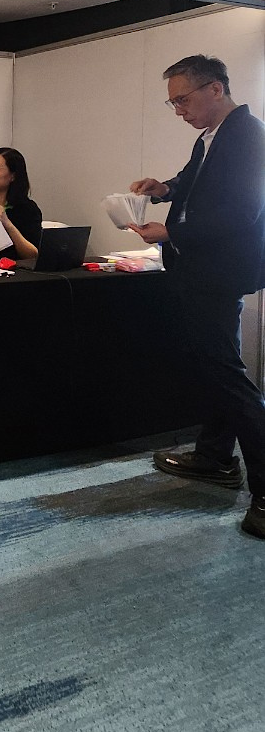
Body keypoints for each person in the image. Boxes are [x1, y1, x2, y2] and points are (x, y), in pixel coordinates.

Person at [128, 54, 265, 541]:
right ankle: (214, 457)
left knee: (227, 375)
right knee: (214, 367)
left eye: (183, 99)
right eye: (173, 103)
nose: (179, 110)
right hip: (202, 270)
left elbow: (242, 212)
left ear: (216, 89)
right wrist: (162, 188)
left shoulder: (248, 135)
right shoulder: (211, 136)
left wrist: (171, 232)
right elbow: (192, 184)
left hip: (218, 272)